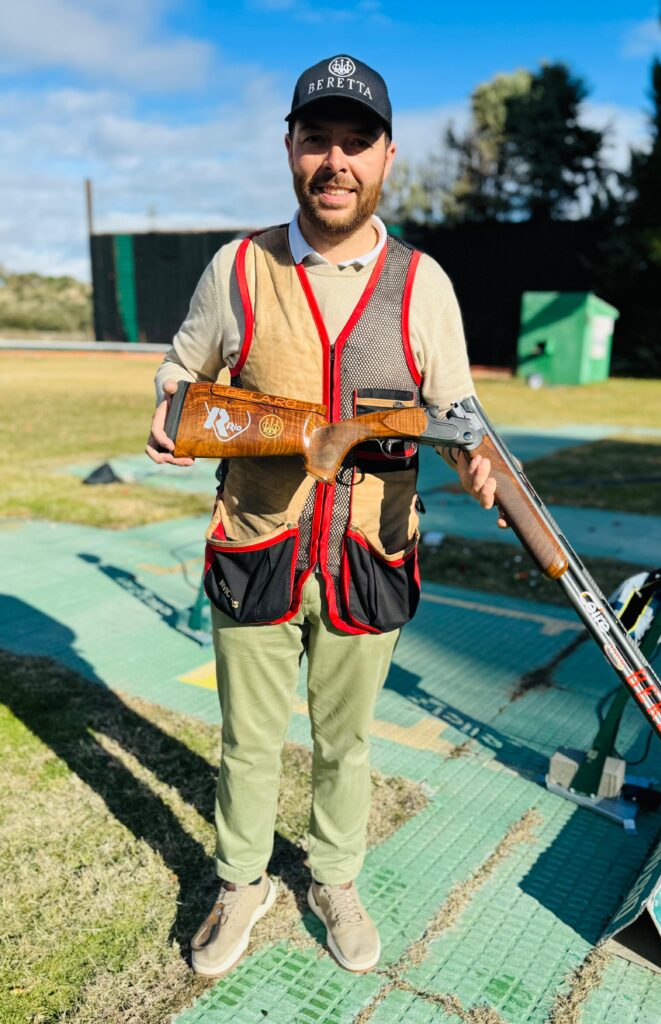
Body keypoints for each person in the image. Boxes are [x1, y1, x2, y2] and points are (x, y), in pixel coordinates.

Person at [146, 54, 501, 977]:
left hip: (367, 556)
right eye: (317, 140)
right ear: (290, 149)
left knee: (345, 742)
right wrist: (171, 405)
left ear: (387, 156)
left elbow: (461, 414)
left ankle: (333, 877)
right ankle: (241, 881)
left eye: (356, 142)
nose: (335, 160)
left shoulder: (424, 284)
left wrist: (479, 462)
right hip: (257, 545)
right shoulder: (238, 266)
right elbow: (183, 369)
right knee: (247, 740)